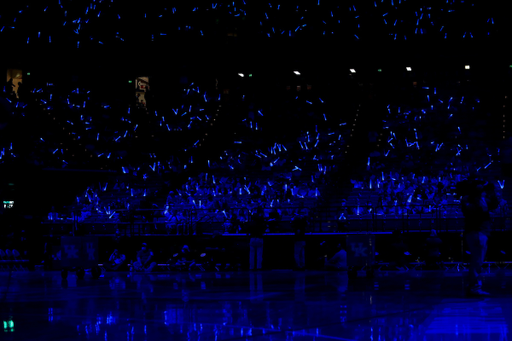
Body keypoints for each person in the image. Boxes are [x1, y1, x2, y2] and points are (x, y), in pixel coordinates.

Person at [460, 180, 499, 296]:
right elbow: (476, 210)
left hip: (478, 232)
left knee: (477, 261)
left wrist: (491, 192)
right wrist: (481, 196)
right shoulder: (471, 199)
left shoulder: (476, 198)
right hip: (477, 232)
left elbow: (494, 204)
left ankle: (472, 286)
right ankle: (474, 288)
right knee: (477, 261)